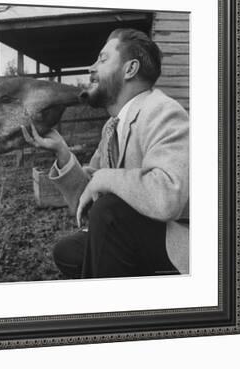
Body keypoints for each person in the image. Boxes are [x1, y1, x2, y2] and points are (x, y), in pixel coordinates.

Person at [21, 28, 189, 279]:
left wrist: (104, 178)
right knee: (67, 251)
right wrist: (62, 152)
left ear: (129, 70)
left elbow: (167, 196)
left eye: (102, 58)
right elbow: (87, 199)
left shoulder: (163, 111)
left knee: (110, 211)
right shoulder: (112, 127)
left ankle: (107, 310)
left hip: (178, 243)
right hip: (136, 235)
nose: (91, 67)